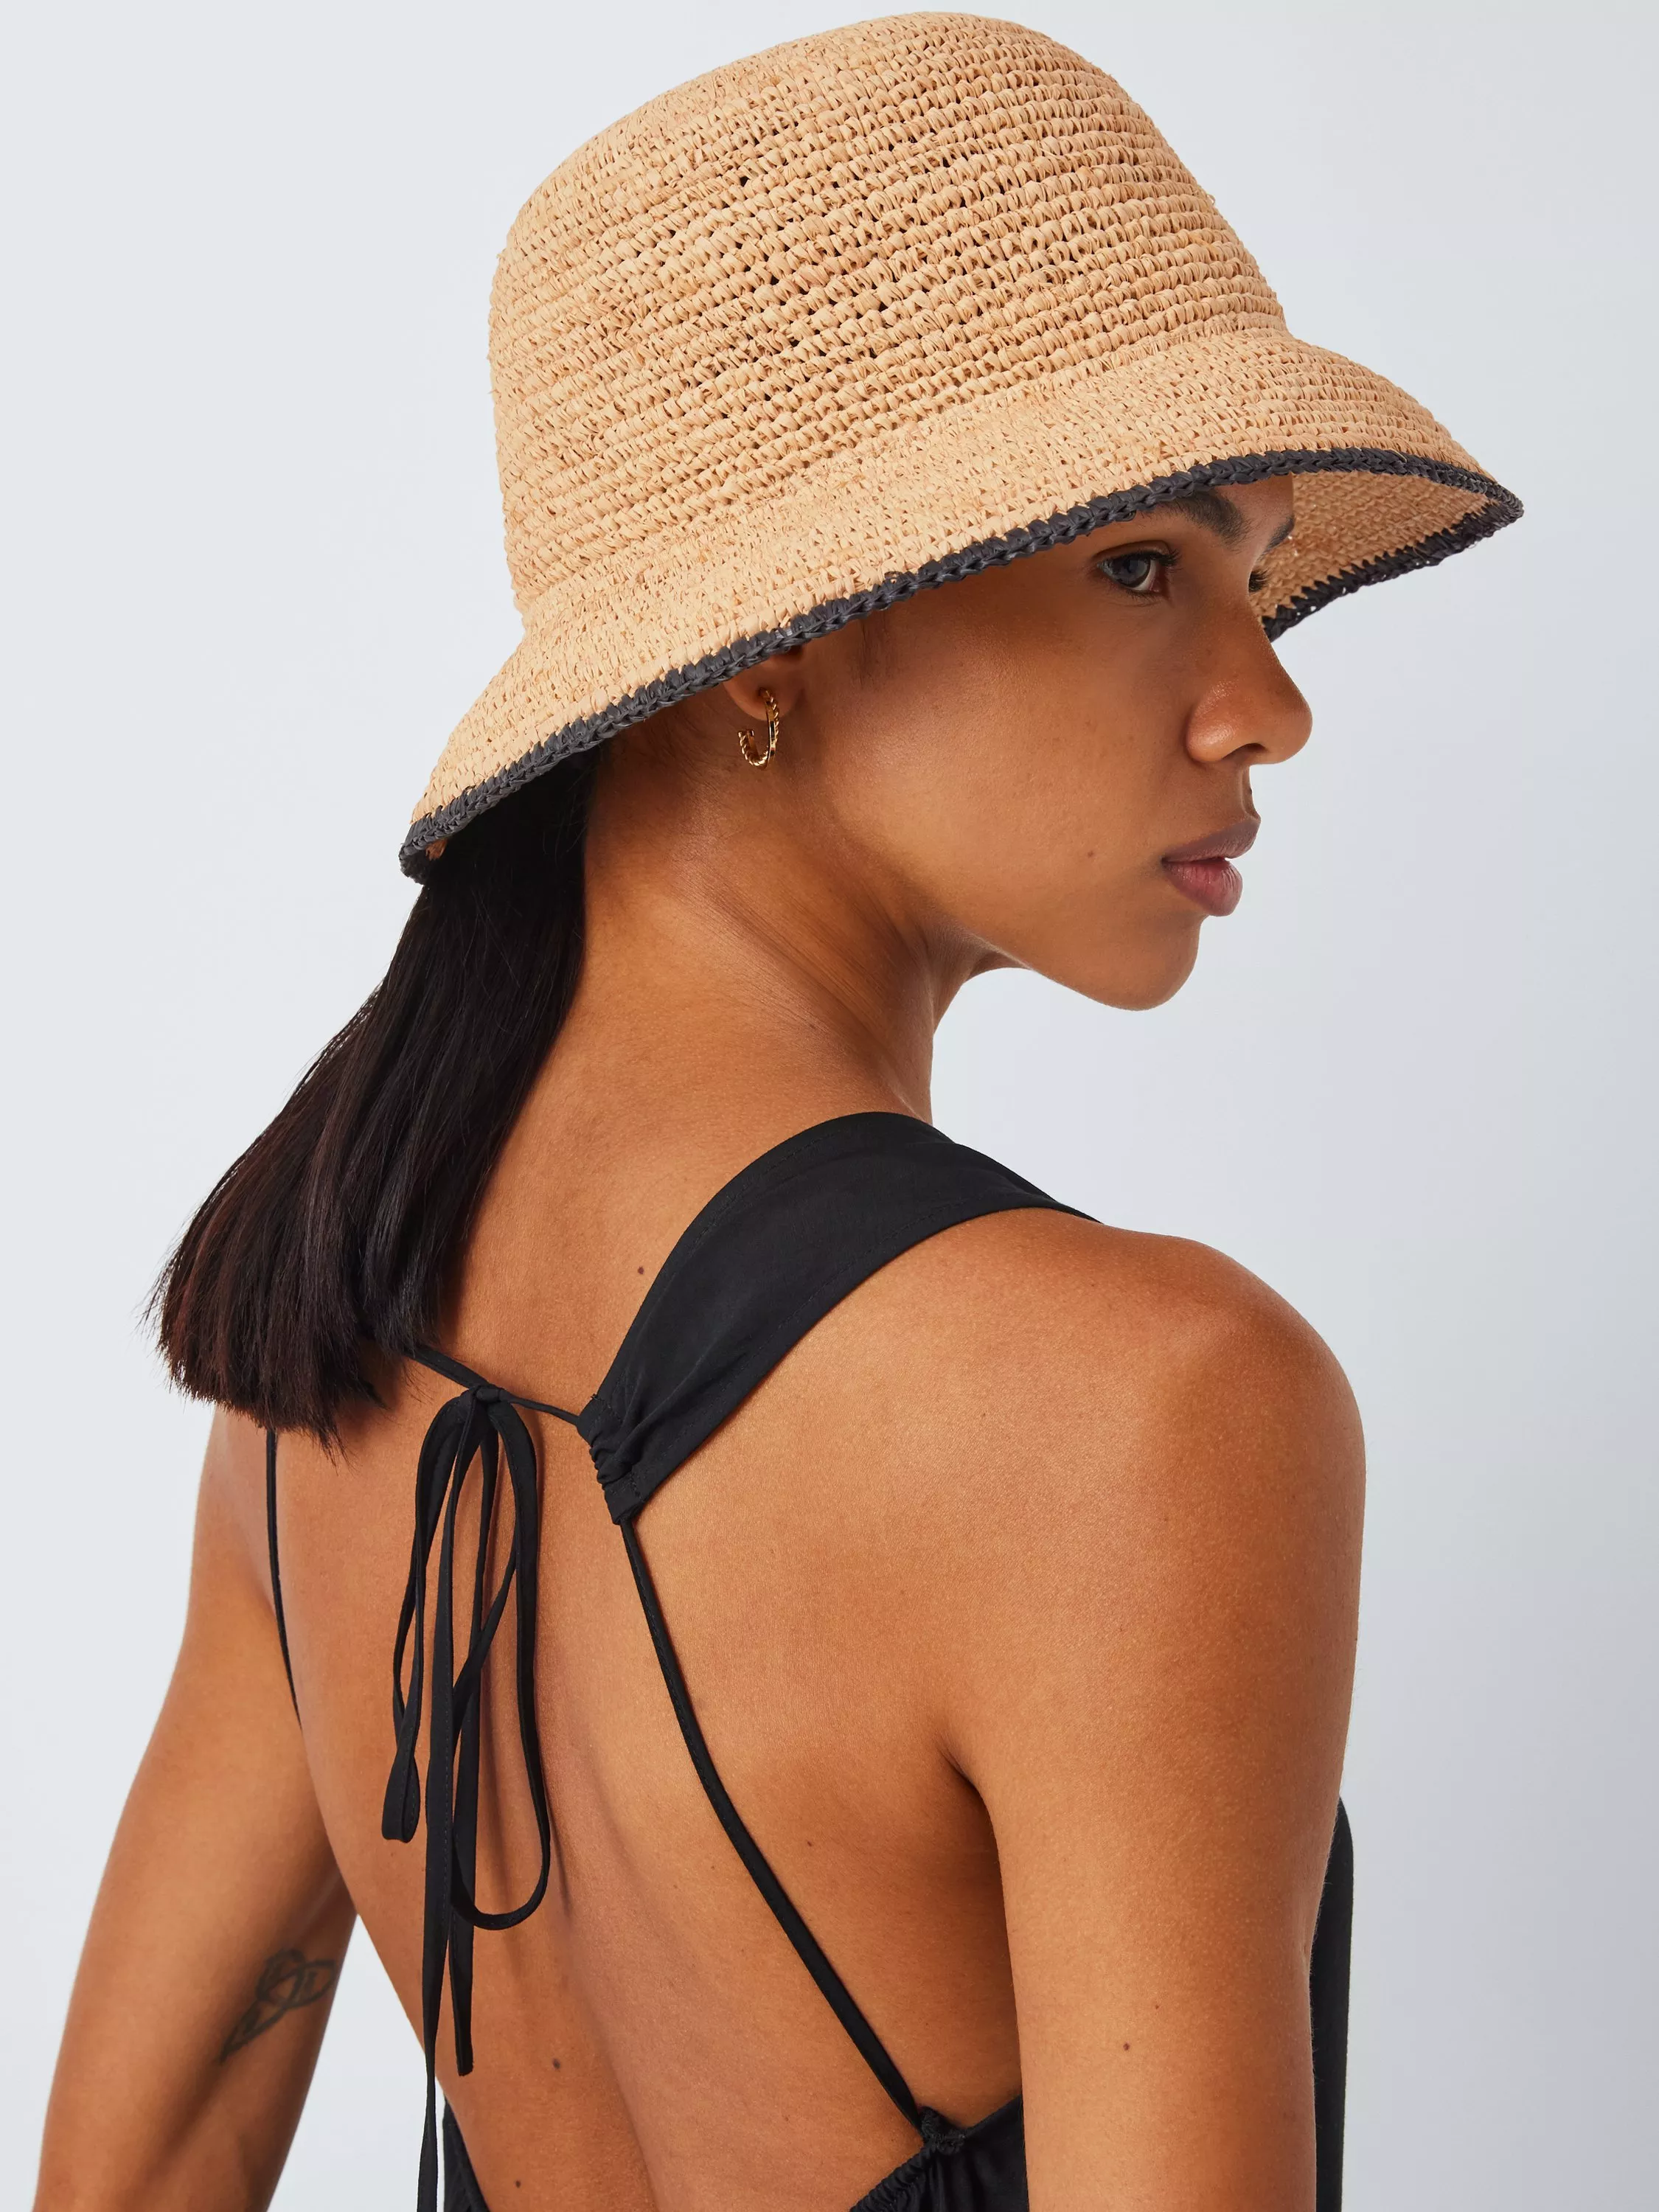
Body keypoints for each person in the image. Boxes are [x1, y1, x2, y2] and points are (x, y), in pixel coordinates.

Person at [32, 15, 1517, 2212]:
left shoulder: (317, 1356)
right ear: (772, 643)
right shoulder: (1149, 1405)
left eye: (1259, 578)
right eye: (1145, 567)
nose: (1269, 704)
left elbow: (133, 2171)